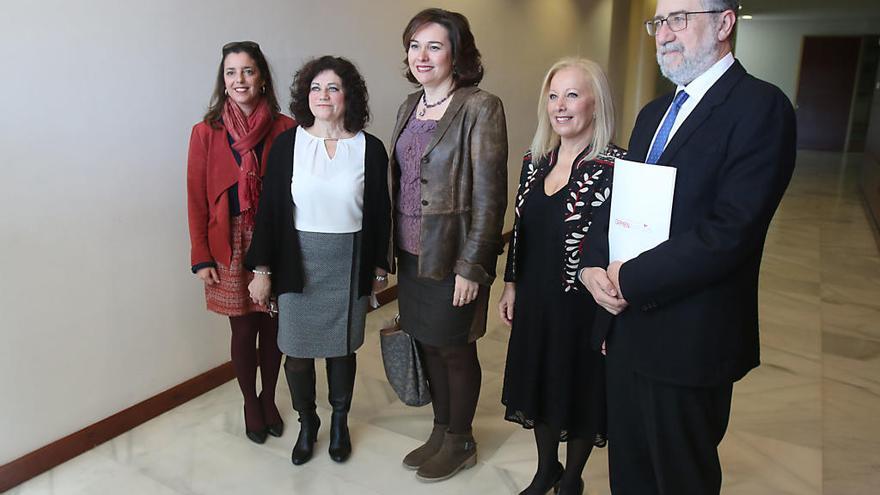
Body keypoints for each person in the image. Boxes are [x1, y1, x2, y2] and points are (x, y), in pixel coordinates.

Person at [578, 1, 796, 493]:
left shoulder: (760, 106)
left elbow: (731, 230)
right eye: (659, 22)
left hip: (690, 335)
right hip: (626, 325)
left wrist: (626, 278)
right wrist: (592, 266)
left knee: (678, 477)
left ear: (725, 22)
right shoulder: (654, 112)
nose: (664, 34)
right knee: (628, 471)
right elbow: (617, 201)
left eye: (680, 18)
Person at [246, 56, 391, 466]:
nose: (322, 96)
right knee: (296, 352)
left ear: (349, 96)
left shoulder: (370, 148)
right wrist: (262, 270)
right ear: (304, 96)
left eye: (332, 88)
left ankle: (340, 422)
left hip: (348, 261)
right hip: (298, 261)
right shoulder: (288, 144)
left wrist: (379, 266)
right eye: (315, 88)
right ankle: (308, 423)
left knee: (342, 351)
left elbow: (380, 211)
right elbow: (270, 212)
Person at [388, 7, 507, 482]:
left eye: (434, 46)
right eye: (415, 45)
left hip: (454, 252)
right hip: (412, 252)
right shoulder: (408, 106)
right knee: (428, 343)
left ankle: (461, 439)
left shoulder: (480, 106)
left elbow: (490, 195)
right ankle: (440, 429)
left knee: (455, 347)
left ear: (457, 54)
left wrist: (473, 265)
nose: (422, 56)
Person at [499, 58, 624, 495]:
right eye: (553, 96)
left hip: (583, 305)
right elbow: (520, 229)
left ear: (596, 103)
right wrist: (510, 283)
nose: (560, 106)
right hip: (536, 299)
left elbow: (624, 246)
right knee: (540, 382)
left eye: (572, 94)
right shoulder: (536, 161)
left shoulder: (618, 167)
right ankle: (546, 469)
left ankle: (572, 478)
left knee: (579, 388)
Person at [186, 41, 294, 445]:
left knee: (274, 325)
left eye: (247, 71)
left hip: (275, 237)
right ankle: (251, 401)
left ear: (262, 77)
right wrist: (201, 256)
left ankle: (270, 398)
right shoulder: (206, 132)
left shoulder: (286, 128)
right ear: (223, 80)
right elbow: (196, 197)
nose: (239, 80)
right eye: (231, 72)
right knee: (243, 327)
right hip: (228, 240)